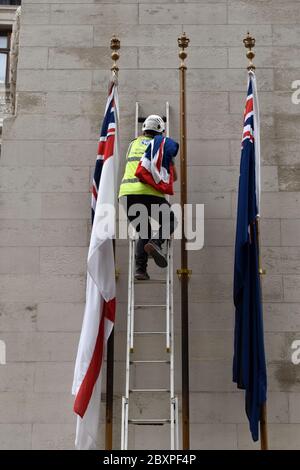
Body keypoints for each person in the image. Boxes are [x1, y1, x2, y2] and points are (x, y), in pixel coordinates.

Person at [119, 114, 178, 280]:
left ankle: (140, 270)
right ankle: (156, 242)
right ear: (161, 131)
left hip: (127, 195)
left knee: (143, 231)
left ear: (144, 129)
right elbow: (174, 177)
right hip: (150, 195)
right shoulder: (162, 146)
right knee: (171, 221)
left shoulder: (132, 144)